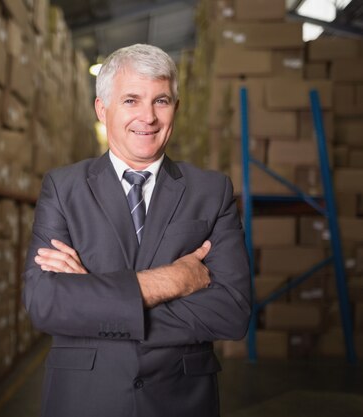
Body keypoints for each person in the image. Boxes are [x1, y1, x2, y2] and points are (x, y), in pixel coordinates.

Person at [22, 43, 252, 417]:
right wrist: (172, 282)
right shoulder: (64, 188)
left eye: (161, 100)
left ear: (175, 108)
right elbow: (45, 304)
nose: (148, 117)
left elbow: (232, 311)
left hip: (180, 400)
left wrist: (94, 295)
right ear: (102, 109)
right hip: (84, 399)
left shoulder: (211, 191)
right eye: (131, 100)